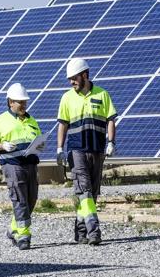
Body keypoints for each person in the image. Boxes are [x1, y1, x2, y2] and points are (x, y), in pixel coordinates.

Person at [56, 58, 117, 245]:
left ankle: (80, 232)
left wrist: (111, 142)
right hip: (76, 150)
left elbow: (111, 119)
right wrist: (59, 148)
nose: (71, 82)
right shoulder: (67, 97)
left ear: (85, 75)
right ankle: (93, 230)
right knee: (84, 189)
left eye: (74, 78)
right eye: (69, 79)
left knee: (92, 192)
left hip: (97, 149)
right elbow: (63, 124)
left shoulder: (102, 94)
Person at [0, 83, 44, 250]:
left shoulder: (32, 120)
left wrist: (39, 145)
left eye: (25, 102)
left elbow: (38, 140)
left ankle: (13, 228)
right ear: (11, 102)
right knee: (20, 200)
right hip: (12, 165)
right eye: (20, 102)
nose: (24, 105)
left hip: (31, 165)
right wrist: (3, 146)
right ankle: (23, 235)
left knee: (31, 199)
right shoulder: (0, 120)